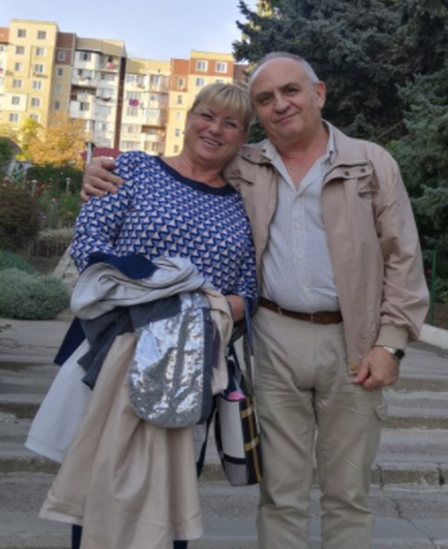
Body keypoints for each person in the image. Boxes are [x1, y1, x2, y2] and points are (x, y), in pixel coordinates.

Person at [83, 52, 429, 549]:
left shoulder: (369, 162)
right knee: (280, 494)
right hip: (274, 340)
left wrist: (391, 344)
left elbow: (403, 257)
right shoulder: (245, 163)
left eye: (291, 91)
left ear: (319, 93)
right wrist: (101, 173)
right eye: (265, 99)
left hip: (355, 342)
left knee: (348, 495)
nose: (280, 105)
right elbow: (179, 177)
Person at [28, 83, 258, 549]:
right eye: (207, 115)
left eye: (230, 123)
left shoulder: (243, 204)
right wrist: (162, 293)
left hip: (191, 366)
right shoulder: (132, 169)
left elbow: (248, 291)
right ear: (188, 116)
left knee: (172, 497)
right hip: (112, 351)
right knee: (99, 490)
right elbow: (90, 241)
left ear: (243, 136)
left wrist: (209, 310)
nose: (215, 129)